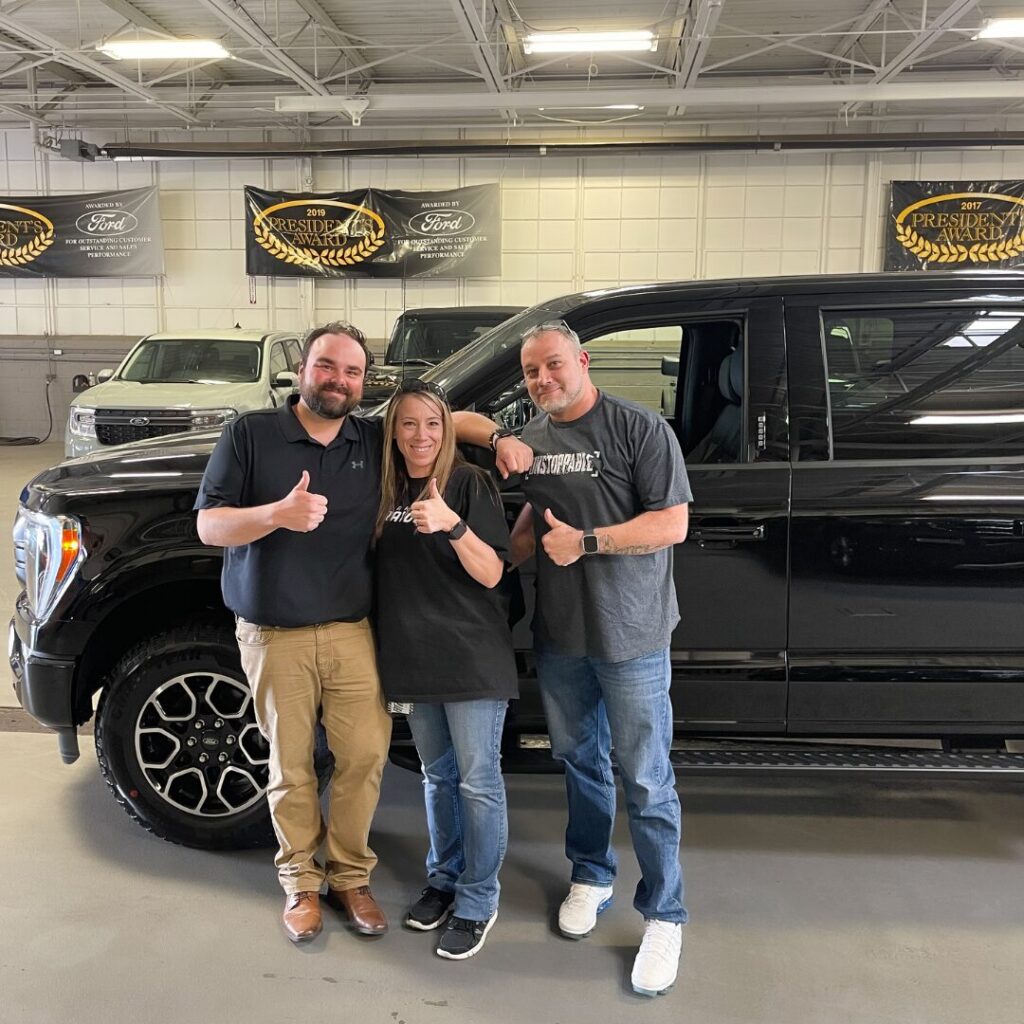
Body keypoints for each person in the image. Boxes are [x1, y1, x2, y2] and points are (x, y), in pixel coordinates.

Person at [194, 321, 531, 944]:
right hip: (275, 634)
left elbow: (438, 421)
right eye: (327, 366)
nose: (338, 380)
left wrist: (506, 435)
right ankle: (301, 883)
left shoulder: (371, 437)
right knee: (292, 766)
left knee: (367, 758)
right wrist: (277, 515)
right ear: (304, 368)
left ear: (362, 382)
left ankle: (350, 876)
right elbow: (209, 527)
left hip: (354, 632)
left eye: (352, 372)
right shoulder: (251, 434)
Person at [508, 321, 692, 998]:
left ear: (582, 361)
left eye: (553, 365)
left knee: (644, 777)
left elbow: (671, 523)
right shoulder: (533, 439)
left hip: (632, 637)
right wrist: (480, 554)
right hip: (562, 635)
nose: (543, 379)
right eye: (531, 372)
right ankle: (592, 874)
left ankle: (665, 914)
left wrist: (586, 544)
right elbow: (533, 525)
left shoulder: (640, 429)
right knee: (580, 762)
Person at [373, 378, 517, 961]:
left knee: (478, 781)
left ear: (447, 428)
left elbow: (492, 574)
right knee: (437, 774)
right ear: (393, 431)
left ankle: (479, 899)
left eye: (433, 424)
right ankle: (445, 877)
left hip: (470, 654)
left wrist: (452, 525)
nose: (422, 435)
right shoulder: (380, 487)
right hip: (411, 653)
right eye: (409, 424)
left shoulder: (470, 483)